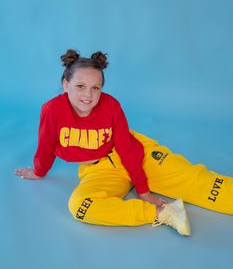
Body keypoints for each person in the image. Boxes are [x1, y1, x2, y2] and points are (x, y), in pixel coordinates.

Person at [15, 49, 233, 236]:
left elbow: (127, 150)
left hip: (136, 155)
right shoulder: (52, 110)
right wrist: (39, 171)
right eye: (80, 86)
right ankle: (165, 213)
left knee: (200, 184)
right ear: (65, 84)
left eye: (96, 87)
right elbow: (46, 144)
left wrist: (143, 190)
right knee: (80, 206)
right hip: (99, 169)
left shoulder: (111, 106)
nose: (88, 95)